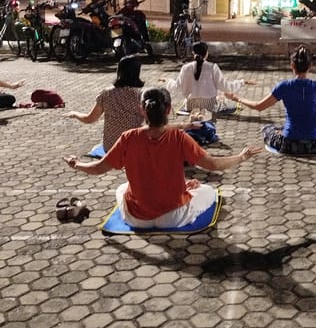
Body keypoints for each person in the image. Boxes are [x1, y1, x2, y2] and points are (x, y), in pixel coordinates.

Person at [63, 86, 262, 229]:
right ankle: (184, 194)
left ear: (143, 110)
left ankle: (175, 194)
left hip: (137, 218)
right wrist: (241, 157)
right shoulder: (178, 138)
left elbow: (98, 168)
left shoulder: (128, 137)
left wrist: (76, 164)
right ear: (168, 110)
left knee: (122, 188)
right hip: (173, 217)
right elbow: (213, 165)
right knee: (208, 190)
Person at [64, 55, 145, 151]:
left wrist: (75, 114)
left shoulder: (106, 93)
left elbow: (89, 119)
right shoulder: (142, 95)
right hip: (133, 145)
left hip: (111, 146)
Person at [166, 41, 254, 115]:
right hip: (209, 106)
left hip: (190, 106)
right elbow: (226, 87)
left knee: (217, 98)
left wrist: (168, 81)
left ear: (193, 53)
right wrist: (242, 82)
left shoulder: (186, 68)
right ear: (206, 53)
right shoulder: (212, 67)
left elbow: (177, 86)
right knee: (221, 99)